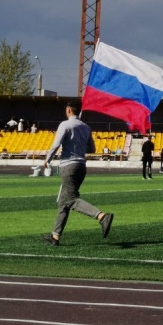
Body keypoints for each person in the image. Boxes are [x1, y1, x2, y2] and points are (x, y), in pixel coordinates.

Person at [41, 104, 113, 246]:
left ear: (68, 110)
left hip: (69, 165)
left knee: (71, 199)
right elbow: (92, 148)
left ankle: (102, 216)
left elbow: (56, 144)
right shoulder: (86, 127)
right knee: (64, 201)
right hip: (81, 166)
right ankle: (55, 236)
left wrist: (47, 159)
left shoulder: (65, 124)